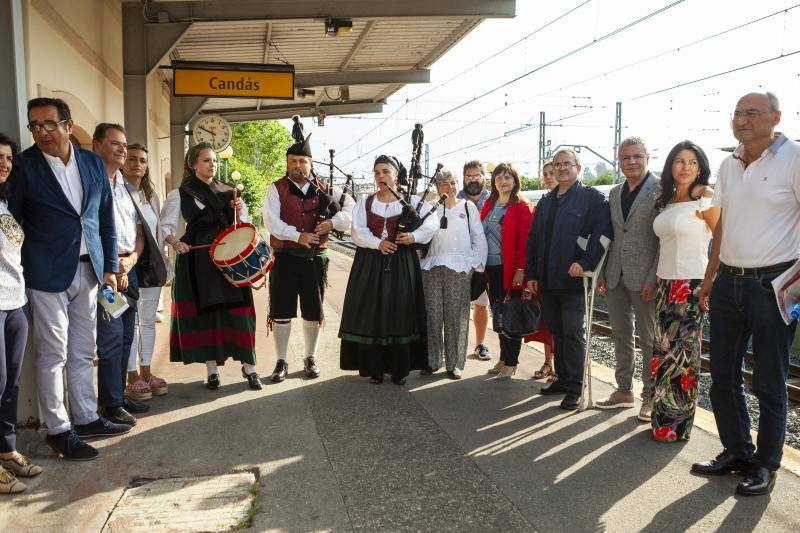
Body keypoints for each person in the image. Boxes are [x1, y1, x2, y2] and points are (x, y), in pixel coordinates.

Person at [9, 97, 129, 461]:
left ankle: (87, 416)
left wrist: (109, 267)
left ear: (68, 123)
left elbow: (103, 219)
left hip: (90, 270)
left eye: (49, 124)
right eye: (34, 126)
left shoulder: (92, 162)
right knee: (52, 353)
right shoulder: (23, 167)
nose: (42, 132)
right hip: (46, 273)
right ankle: (58, 430)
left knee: (82, 349)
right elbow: (12, 223)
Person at [693, 92, 800, 496]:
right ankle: (736, 450)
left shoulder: (794, 158)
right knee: (722, 375)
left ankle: (766, 464)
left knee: (770, 381)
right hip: (728, 284)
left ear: (776, 116)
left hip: (773, 284)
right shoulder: (728, 164)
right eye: (737, 114)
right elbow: (721, 226)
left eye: (751, 113)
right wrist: (709, 277)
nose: (741, 120)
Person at [161, 142, 259, 390]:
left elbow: (244, 223)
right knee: (207, 316)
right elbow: (165, 227)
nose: (211, 164)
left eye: (214, 160)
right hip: (198, 260)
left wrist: (240, 211)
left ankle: (250, 368)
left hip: (231, 258)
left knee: (240, 313)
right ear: (193, 164)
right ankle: (212, 371)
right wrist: (175, 242)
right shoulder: (179, 194)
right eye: (206, 160)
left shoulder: (230, 192)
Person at [263, 127, 354, 383]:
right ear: (287, 163)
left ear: (310, 163)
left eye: (303, 161)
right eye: (293, 161)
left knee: (313, 310)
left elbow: (350, 209)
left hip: (315, 259)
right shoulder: (276, 188)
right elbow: (271, 222)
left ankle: (310, 358)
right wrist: (297, 235)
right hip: (285, 257)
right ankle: (281, 360)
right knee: (281, 310)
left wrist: (332, 223)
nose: (298, 166)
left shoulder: (326, 188)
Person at [526, 149, 612, 410]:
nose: (562, 168)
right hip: (549, 279)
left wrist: (586, 263)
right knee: (557, 330)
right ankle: (562, 379)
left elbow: (603, 234)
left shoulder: (591, 199)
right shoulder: (546, 202)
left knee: (574, 333)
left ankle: (576, 386)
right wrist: (531, 274)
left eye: (567, 164)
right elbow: (534, 240)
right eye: (557, 164)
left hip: (574, 282)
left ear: (578, 167)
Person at [339, 155, 437, 384]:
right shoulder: (366, 201)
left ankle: (399, 369)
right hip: (370, 264)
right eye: (377, 172)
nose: (380, 177)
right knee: (372, 313)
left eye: (385, 172)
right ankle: (375, 368)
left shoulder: (412, 199)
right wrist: (378, 243)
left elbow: (431, 225)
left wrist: (413, 236)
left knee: (400, 313)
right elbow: (358, 231)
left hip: (402, 263)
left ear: (395, 175)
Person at [650, 141, 719, 442]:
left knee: (684, 356)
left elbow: (721, 240)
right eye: (679, 161)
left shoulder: (705, 198)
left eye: (692, 162)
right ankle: (662, 420)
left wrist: (709, 280)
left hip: (690, 285)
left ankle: (677, 426)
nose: (686, 167)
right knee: (664, 353)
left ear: (700, 166)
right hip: (666, 284)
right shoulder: (666, 199)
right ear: (671, 166)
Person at [596, 137, 660, 421]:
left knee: (648, 340)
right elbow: (610, 236)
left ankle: (649, 397)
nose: (631, 162)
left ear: (647, 157)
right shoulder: (614, 192)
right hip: (615, 275)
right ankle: (624, 390)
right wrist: (601, 273)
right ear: (619, 161)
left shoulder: (660, 190)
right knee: (621, 335)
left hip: (645, 277)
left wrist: (653, 278)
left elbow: (662, 241)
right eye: (625, 158)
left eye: (637, 156)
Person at [92, 124, 147, 426]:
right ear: (97, 145)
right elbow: (95, 231)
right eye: (114, 143)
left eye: (124, 144)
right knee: (111, 337)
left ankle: (118, 395)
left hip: (130, 271)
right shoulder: (93, 184)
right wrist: (114, 267)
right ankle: (109, 405)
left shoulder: (126, 188)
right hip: (108, 276)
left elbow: (138, 233)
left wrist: (133, 259)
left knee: (126, 335)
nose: (122, 149)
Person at [0, 134, 43, 493]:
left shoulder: (4, 204)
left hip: (15, 302)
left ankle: (7, 449)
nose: (4, 163)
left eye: (9, 158)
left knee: (11, 383)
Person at [420, 169, 487, 379]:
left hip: (459, 268)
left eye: (453, 182)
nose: (450, 187)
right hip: (431, 267)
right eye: (445, 183)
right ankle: (432, 361)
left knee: (456, 317)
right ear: (438, 187)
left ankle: (454, 363)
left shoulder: (468, 207)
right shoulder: (430, 209)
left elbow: (478, 237)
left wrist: (473, 265)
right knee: (433, 315)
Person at [479, 163, 539, 379]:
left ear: (515, 180)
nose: (503, 181)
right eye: (498, 178)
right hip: (490, 268)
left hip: (511, 270)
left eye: (507, 177)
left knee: (512, 313)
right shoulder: (490, 203)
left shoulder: (522, 206)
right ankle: (504, 357)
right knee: (499, 314)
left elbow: (527, 242)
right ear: (493, 182)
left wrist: (521, 269)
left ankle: (511, 362)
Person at [122, 143, 170, 401]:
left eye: (142, 160)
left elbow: (157, 233)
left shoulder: (150, 195)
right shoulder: (117, 190)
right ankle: (131, 377)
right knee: (131, 323)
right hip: (127, 265)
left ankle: (147, 371)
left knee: (148, 321)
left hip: (150, 266)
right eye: (132, 158)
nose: (137, 164)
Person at [457, 160, 492, 361]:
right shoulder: (456, 199)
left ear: (483, 178)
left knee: (482, 304)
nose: (472, 179)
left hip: (489, 260)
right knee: (457, 305)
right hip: (461, 260)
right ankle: (455, 346)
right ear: (463, 178)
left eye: (476, 175)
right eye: (468, 176)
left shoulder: (493, 199)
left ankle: (480, 344)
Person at [532, 161, 557, 382]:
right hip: (543, 271)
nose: (549, 177)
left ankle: (560, 367)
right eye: (546, 174)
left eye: (553, 173)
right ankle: (548, 363)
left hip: (563, 273)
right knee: (547, 322)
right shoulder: (543, 203)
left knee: (563, 324)